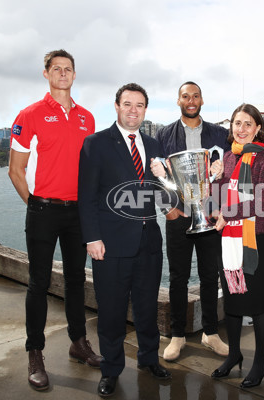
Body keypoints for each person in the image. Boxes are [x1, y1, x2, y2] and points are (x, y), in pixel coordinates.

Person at [8, 49, 101, 391]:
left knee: (77, 280)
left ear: (74, 75)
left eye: (68, 69)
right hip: (44, 210)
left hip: (78, 212)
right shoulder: (30, 115)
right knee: (39, 282)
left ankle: (78, 342)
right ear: (46, 74)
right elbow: (15, 170)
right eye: (56, 69)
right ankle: (35, 353)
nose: (63, 73)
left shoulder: (87, 118)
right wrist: (35, 205)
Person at [78, 83, 173, 398]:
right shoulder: (96, 143)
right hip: (111, 244)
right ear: (116, 106)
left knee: (147, 308)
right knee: (112, 311)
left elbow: (163, 195)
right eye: (128, 104)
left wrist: (165, 176)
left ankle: (149, 359)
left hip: (148, 241)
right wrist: (92, 238)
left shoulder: (153, 142)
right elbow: (87, 196)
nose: (134, 110)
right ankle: (111, 370)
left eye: (140, 105)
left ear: (146, 110)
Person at [210, 104, 264, 389]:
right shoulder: (229, 157)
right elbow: (216, 201)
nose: (240, 129)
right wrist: (214, 178)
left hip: (256, 238)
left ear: (258, 128)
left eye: (247, 124)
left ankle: (259, 361)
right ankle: (233, 355)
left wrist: (226, 213)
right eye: (236, 123)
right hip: (229, 240)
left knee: (256, 306)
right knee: (232, 303)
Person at [152, 82, 230, 361]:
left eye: (196, 95)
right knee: (178, 277)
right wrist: (168, 210)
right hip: (179, 217)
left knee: (211, 275)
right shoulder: (163, 135)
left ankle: (211, 333)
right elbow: (154, 175)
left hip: (209, 214)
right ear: (178, 101)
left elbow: (230, 170)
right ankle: (177, 336)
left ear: (202, 100)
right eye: (186, 96)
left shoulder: (220, 134)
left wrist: (221, 206)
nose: (191, 100)